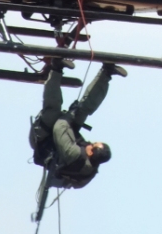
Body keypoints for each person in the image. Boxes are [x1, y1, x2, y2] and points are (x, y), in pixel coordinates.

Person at [28, 59, 126, 189]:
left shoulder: (74, 155)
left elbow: (59, 126)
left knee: (53, 110)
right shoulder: (92, 165)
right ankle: (106, 73)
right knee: (83, 110)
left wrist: (71, 113)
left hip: (43, 138)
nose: (90, 143)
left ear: (90, 153)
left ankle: (56, 68)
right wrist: (75, 113)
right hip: (63, 138)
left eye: (92, 145)